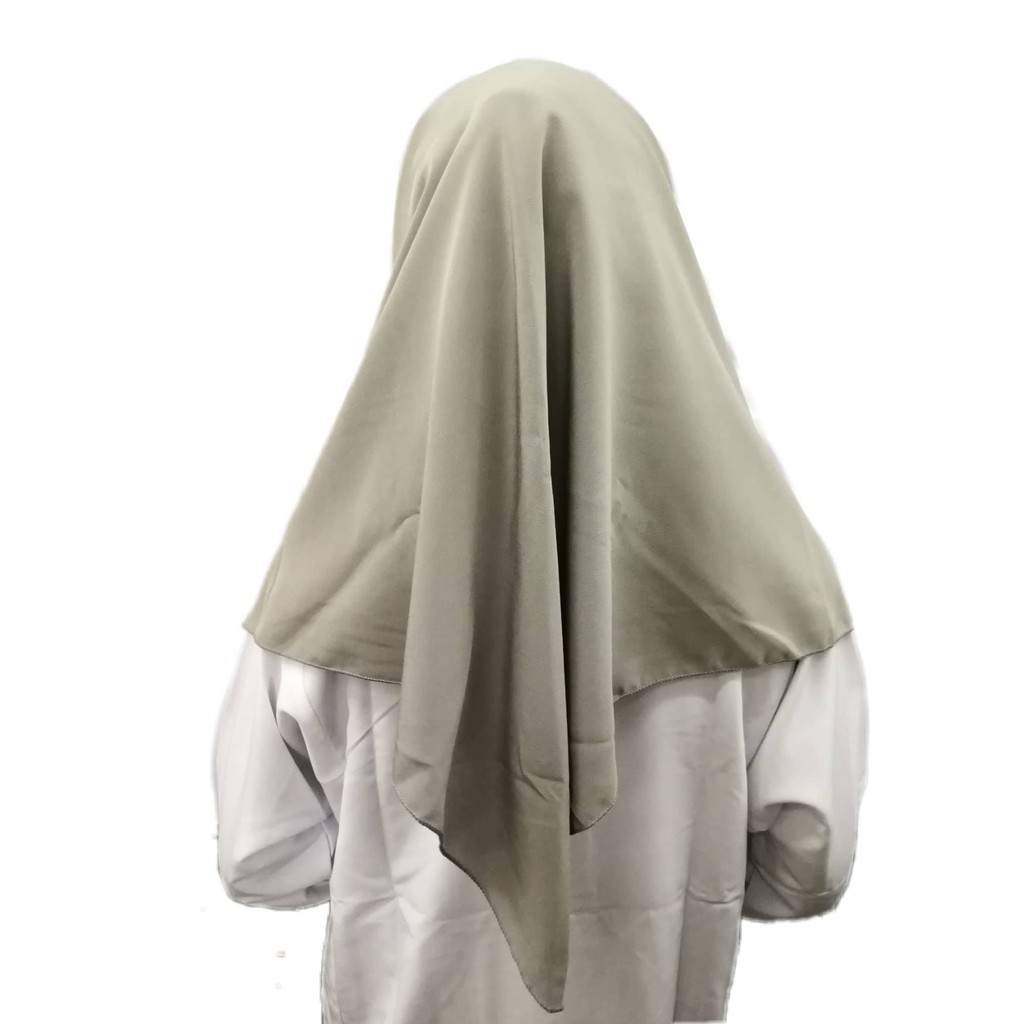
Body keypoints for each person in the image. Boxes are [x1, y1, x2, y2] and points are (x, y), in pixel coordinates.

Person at [211, 58, 869, 1024]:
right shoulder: (769, 574)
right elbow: (810, 865)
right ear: (647, 231)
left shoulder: (327, 573)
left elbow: (259, 858)